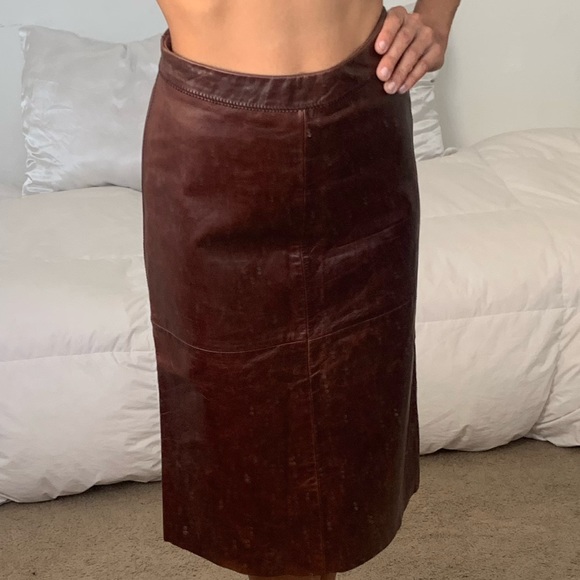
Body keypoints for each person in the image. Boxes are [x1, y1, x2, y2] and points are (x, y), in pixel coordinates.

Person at [141, 2, 461, 580]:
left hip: (360, 117)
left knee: (350, 419)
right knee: (247, 429)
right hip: (217, 143)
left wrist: (435, 19)